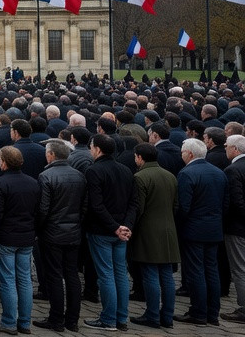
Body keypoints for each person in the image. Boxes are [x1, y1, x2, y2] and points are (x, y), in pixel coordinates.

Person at [83, 135, 137, 331]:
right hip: (121, 231)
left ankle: (108, 319)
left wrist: (115, 227)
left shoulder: (94, 171)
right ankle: (121, 318)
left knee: (106, 274)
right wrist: (126, 226)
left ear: (97, 149)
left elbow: (96, 205)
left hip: (103, 231)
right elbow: (133, 203)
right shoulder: (126, 170)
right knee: (120, 274)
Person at [123, 143, 177, 329]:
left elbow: (139, 208)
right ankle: (168, 315)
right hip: (168, 230)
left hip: (148, 231)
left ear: (139, 157)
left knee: (150, 274)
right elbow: (176, 205)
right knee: (167, 275)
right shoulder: (170, 176)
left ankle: (153, 315)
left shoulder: (140, 177)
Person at [34, 139, 86, 333]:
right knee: (71, 274)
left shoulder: (46, 175)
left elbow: (43, 209)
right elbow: (84, 206)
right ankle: (72, 319)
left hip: (52, 233)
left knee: (54, 275)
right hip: (73, 232)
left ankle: (56, 318)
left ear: (51, 155)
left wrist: (38, 229)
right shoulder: (79, 175)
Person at [175, 137, 226, 326]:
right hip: (213, 228)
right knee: (211, 270)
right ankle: (213, 313)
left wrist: (179, 225)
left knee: (195, 271)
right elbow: (225, 203)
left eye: (182, 152)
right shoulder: (219, 173)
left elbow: (184, 207)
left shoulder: (187, 173)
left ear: (189, 154)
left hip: (193, 230)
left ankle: (198, 312)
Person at [0, 147, 38, 335]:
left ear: (4, 162)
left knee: (8, 280)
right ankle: (24, 322)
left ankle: (9, 321)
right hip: (26, 237)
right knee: (25, 279)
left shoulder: (0, 184)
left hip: (6, 238)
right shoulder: (33, 182)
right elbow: (37, 211)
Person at [224, 134, 245, 324]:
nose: (225, 149)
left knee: (239, 268)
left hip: (238, 227)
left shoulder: (233, 170)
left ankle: (243, 308)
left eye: (227, 146)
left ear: (235, 150)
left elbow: (236, 201)